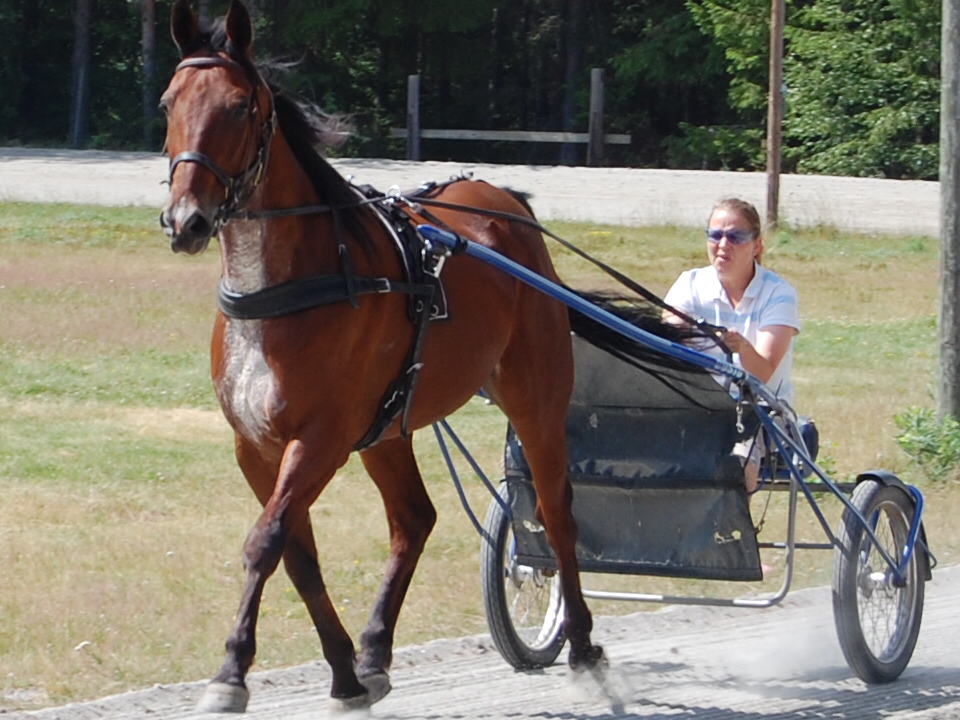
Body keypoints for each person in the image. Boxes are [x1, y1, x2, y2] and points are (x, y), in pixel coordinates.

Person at [663, 197, 800, 492]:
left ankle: (732, 521)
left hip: (760, 416)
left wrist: (743, 349)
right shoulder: (689, 285)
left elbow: (763, 373)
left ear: (757, 245)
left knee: (735, 464)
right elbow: (669, 346)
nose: (723, 244)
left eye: (735, 236)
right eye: (715, 235)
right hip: (696, 409)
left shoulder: (779, 294)